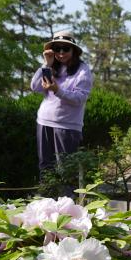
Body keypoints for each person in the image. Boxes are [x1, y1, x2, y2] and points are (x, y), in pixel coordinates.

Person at [31, 30, 94, 188]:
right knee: (45, 168)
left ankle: (68, 208)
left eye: (65, 49)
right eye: (57, 49)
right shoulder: (51, 67)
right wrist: (46, 64)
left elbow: (79, 99)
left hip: (67, 127)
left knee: (66, 170)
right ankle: (47, 205)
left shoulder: (82, 70)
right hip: (44, 122)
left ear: (74, 51)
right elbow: (34, 87)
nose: (61, 53)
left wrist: (57, 90)